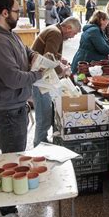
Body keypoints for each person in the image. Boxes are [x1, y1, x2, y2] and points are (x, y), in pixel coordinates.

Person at [0, 0, 43, 217]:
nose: (19, 14)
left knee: (13, 155)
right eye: (16, 11)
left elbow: (26, 51)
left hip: (14, 105)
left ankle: (7, 207)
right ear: (4, 13)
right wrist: (40, 73)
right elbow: (13, 79)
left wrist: (36, 56)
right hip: (7, 109)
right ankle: (8, 212)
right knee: (10, 160)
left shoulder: (8, 34)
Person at [31, 17, 81, 147]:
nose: (72, 37)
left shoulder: (54, 30)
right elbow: (49, 58)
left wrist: (61, 60)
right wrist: (62, 71)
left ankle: (42, 142)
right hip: (40, 79)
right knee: (44, 115)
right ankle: (39, 145)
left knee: (45, 113)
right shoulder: (56, 33)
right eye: (74, 33)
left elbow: (50, 54)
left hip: (41, 77)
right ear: (68, 27)